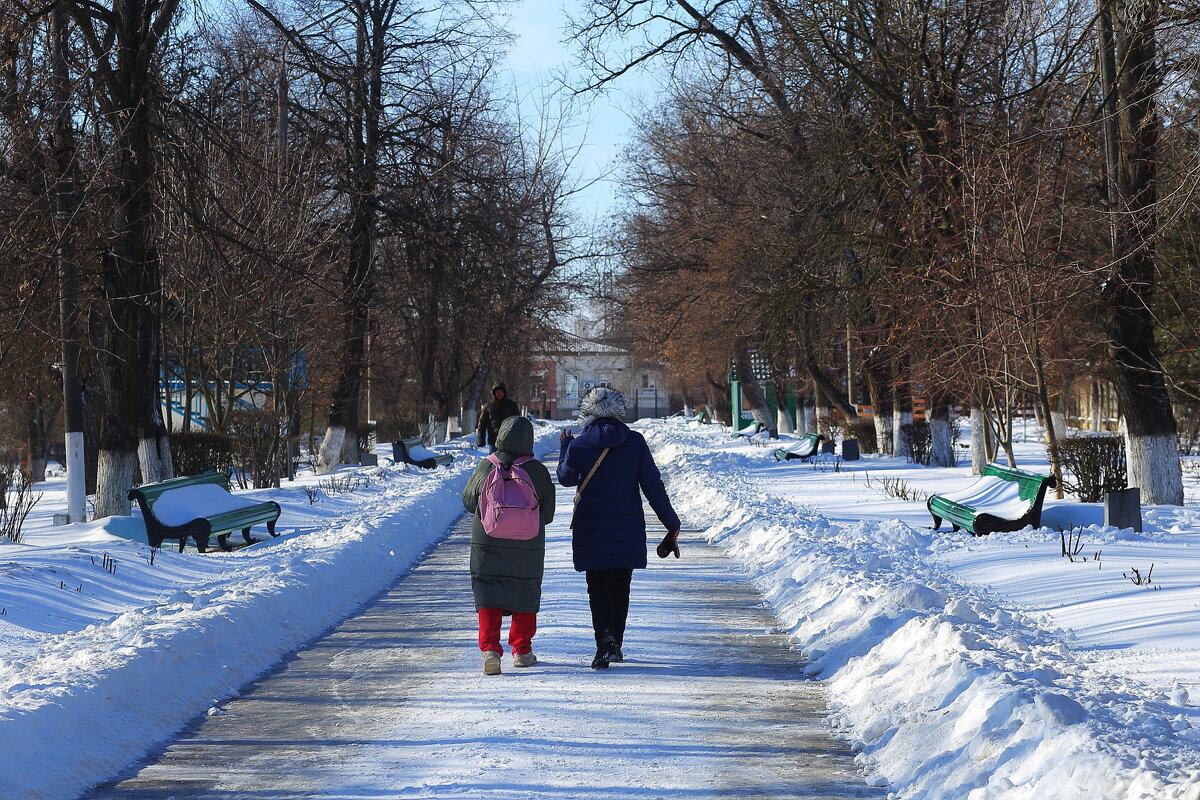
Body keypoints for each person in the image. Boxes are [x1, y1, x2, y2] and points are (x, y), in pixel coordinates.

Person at [557, 387, 681, 670]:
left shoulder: (579, 445)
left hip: (591, 527)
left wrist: (565, 446)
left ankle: (605, 644)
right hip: (627, 528)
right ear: (619, 410)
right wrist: (671, 523)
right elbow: (653, 486)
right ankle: (616, 643)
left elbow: (565, 478)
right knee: (621, 586)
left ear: (587, 412)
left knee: (598, 587)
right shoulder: (635, 442)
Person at [462, 415, 556, 675]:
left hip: (487, 543)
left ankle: (491, 649)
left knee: (488, 593)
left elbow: (469, 502)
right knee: (524, 592)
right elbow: (547, 514)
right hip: (527, 546)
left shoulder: (486, 466)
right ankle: (522, 651)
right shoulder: (536, 470)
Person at [477, 380, 520, 452]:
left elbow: (518, 423)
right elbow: (482, 424)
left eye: (501, 391)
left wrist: (518, 439)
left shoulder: (512, 405)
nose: (499, 394)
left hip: (509, 441)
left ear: (504, 392)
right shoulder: (488, 406)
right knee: (493, 462)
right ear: (494, 393)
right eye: (497, 392)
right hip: (494, 441)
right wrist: (480, 440)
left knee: (508, 462)